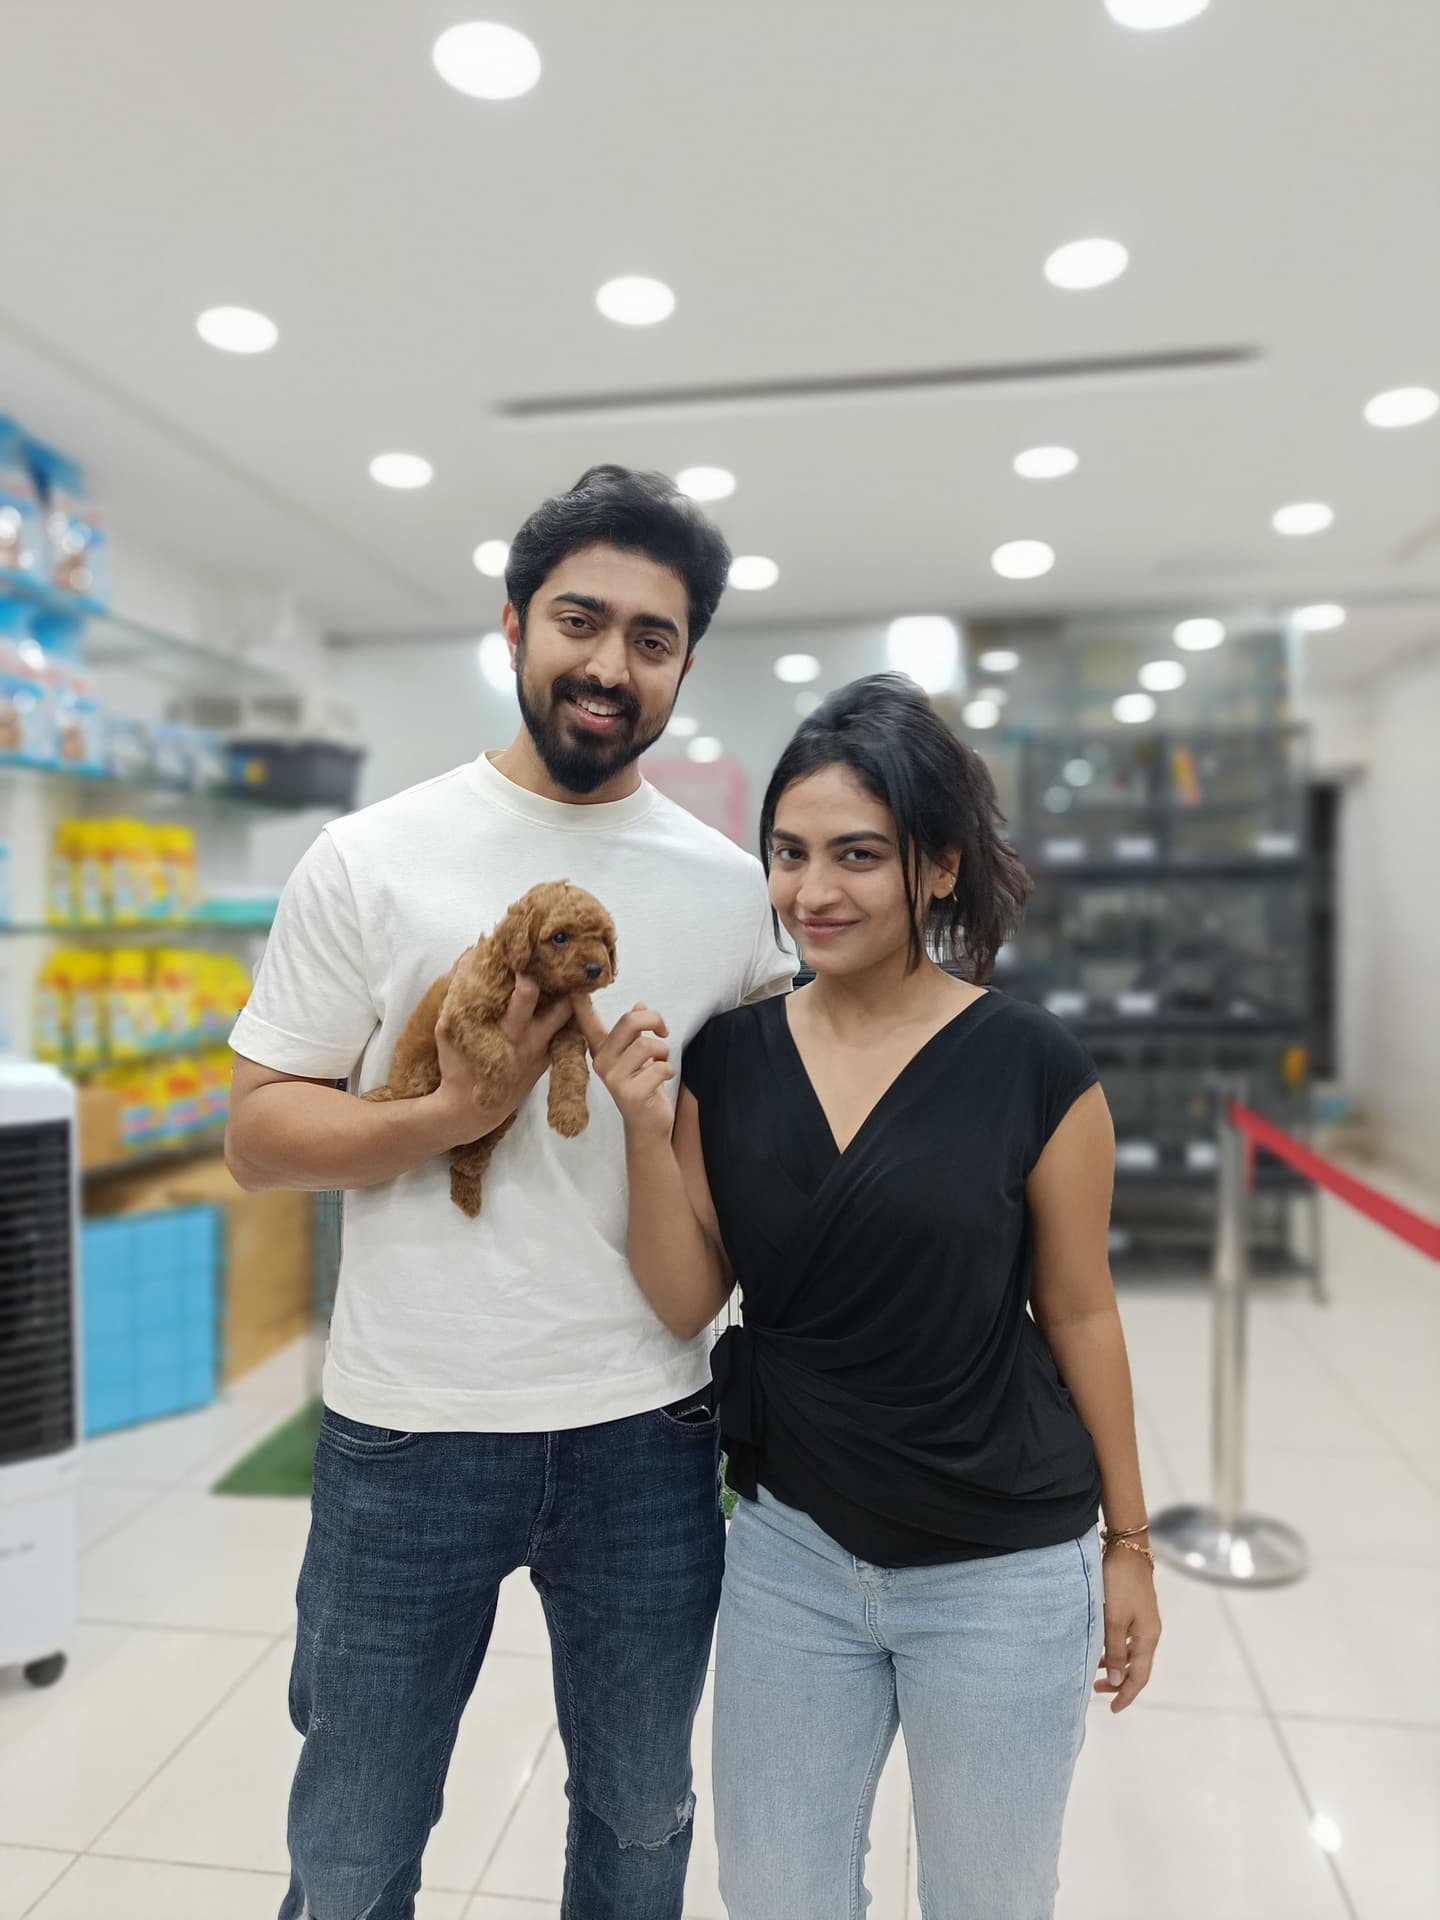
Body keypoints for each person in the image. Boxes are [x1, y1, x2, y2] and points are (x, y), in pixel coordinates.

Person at [225, 466, 795, 1920]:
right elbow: (260, 1133)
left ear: (681, 664)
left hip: (648, 1433)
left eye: (651, 639)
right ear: (514, 627)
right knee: (352, 1849)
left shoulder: (733, 893)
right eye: (579, 622)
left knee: (641, 1826)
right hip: (410, 1432)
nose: (610, 666)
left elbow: (769, 1143)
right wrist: (450, 1114)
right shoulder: (370, 857)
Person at [579, 673, 1162, 1920]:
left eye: (857, 855)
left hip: (1004, 1564)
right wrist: (638, 1128)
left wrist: (1130, 1544)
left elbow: (1081, 1310)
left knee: (988, 1898)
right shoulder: (729, 1059)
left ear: (939, 867)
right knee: (778, 1893)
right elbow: (688, 1299)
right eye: (789, 855)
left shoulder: (1033, 1065)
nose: (812, 892)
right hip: (792, 1549)